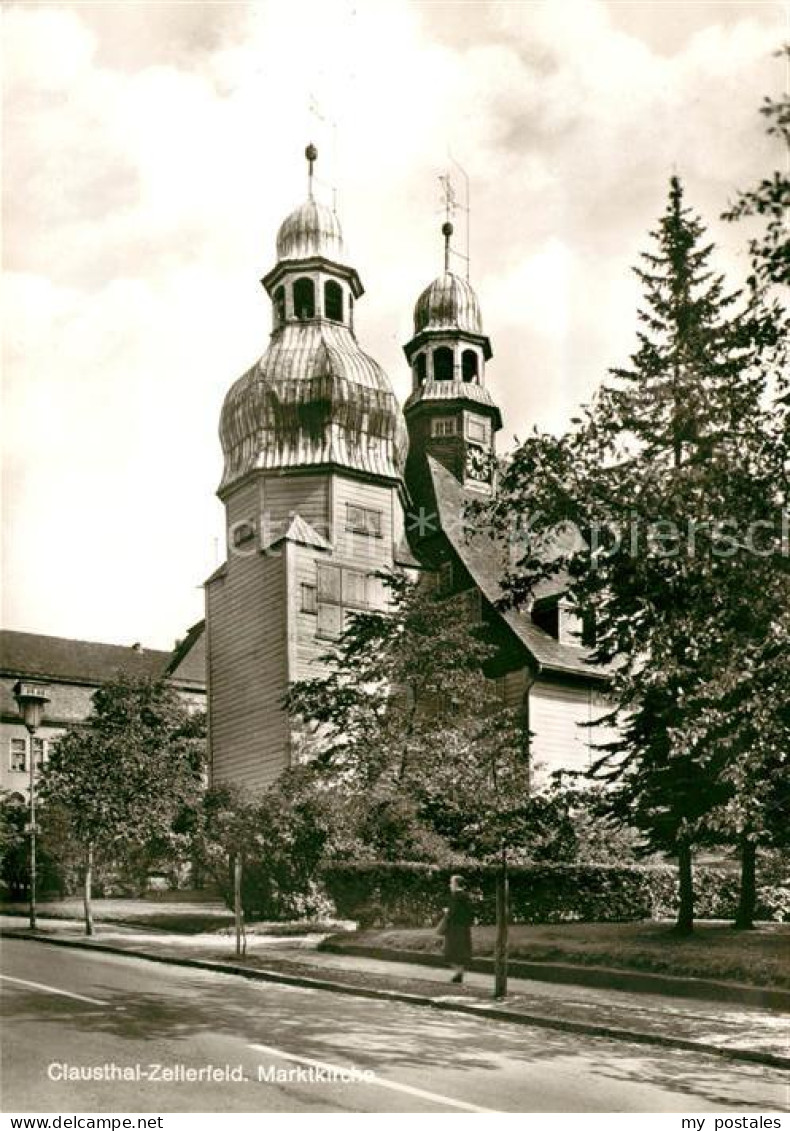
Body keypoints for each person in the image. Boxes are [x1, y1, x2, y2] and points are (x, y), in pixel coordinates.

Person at [438, 874, 474, 984]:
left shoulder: (455, 896)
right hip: (464, 927)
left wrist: (447, 912)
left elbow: (453, 912)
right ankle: (459, 973)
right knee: (461, 951)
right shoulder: (466, 896)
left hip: (454, 928)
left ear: (456, 884)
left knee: (451, 951)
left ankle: (459, 973)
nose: (450, 885)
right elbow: (469, 912)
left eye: (451, 883)